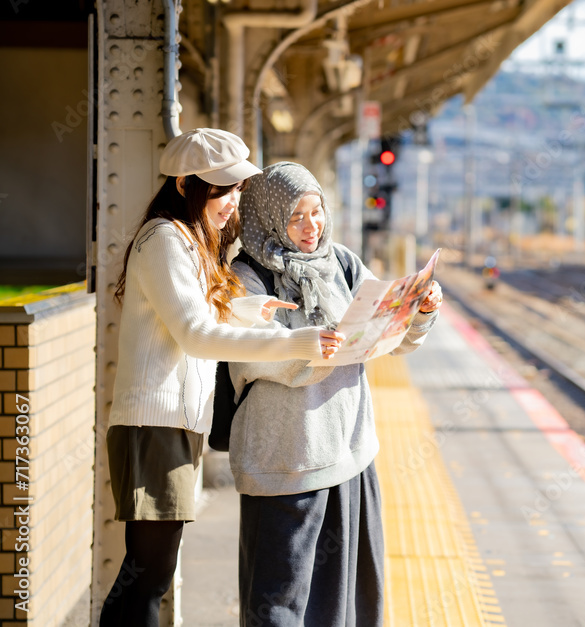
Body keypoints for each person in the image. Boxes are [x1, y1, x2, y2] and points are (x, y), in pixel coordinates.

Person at [100, 130, 345, 627]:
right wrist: (293, 341)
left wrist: (250, 308)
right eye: (222, 190)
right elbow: (195, 333)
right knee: (148, 575)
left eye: (237, 190)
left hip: (171, 425)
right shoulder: (165, 238)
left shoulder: (188, 238)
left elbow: (197, 309)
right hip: (154, 426)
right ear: (187, 182)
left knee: (149, 573)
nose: (232, 202)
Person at [229, 161, 443, 627]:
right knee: (278, 604)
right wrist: (319, 348)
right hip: (285, 460)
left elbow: (391, 339)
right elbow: (248, 358)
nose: (312, 227)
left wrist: (417, 313)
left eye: (317, 211)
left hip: (350, 454)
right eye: (296, 217)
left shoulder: (342, 263)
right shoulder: (246, 277)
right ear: (267, 219)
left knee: (346, 602)